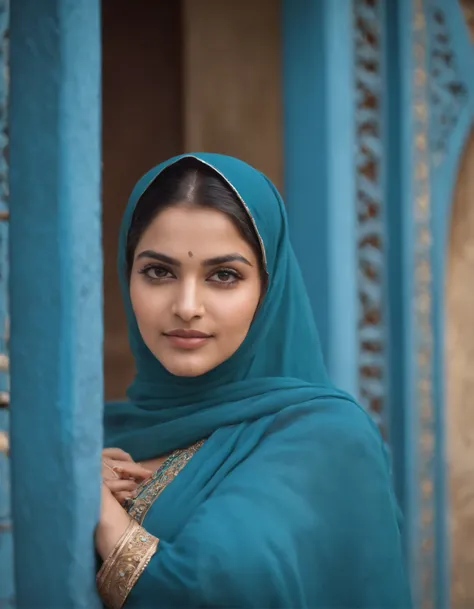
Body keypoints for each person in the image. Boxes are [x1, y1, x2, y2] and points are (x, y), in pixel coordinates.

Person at [96, 153, 412, 609]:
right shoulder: (99, 438)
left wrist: (96, 509)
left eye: (223, 275)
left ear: (268, 288)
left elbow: (210, 592)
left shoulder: (326, 438)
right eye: (158, 272)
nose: (187, 305)